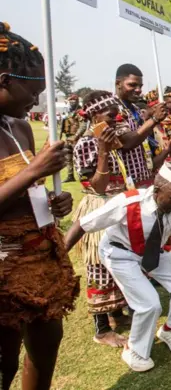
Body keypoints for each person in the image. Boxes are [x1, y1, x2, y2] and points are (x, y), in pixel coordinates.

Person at [65, 163, 171, 372]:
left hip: (153, 252)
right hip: (120, 254)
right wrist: (60, 258)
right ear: (157, 190)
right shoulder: (127, 202)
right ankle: (134, 351)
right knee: (149, 303)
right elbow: (82, 224)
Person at [0, 21, 79, 390]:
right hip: (3, 266)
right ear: (4, 80)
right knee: (5, 361)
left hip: (39, 257)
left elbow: (24, 191)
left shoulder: (20, 128)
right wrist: (34, 171)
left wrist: (51, 200)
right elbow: (23, 178)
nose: (37, 102)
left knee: (46, 346)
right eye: (32, 93)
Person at [72, 91, 131, 348]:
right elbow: (96, 187)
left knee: (119, 261)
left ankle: (117, 311)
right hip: (99, 208)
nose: (116, 120)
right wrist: (103, 151)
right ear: (94, 116)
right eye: (110, 116)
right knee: (99, 266)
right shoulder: (86, 144)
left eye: (117, 115)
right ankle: (102, 328)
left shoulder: (112, 136)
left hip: (117, 206)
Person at [114, 63, 168, 188]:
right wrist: (154, 119)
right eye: (132, 85)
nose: (138, 89)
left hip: (144, 179)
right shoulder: (112, 110)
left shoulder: (136, 110)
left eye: (140, 86)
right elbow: (126, 143)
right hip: (124, 185)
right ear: (118, 84)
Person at [60, 93, 87, 182]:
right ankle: (70, 176)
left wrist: (76, 136)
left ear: (77, 101)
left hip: (76, 138)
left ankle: (83, 175)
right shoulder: (68, 111)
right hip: (68, 137)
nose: (71, 102)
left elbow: (83, 125)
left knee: (79, 158)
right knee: (68, 158)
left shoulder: (79, 111)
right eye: (70, 101)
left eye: (73, 101)